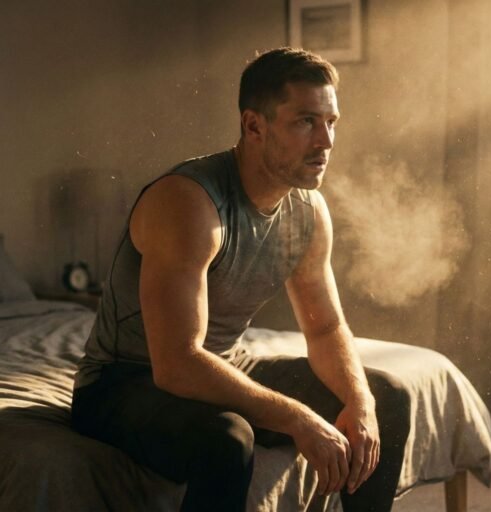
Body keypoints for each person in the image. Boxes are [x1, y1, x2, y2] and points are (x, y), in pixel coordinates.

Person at [71, 47, 410, 512]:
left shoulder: (308, 211)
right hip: (125, 383)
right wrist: (299, 418)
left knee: (385, 397)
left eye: (331, 122)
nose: (326, 141)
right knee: (228, 439)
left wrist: (360, 404)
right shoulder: (189, 203)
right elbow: (177, 364)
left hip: (223, 363)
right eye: (306, 121)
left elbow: (326, 328)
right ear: (254, 126)